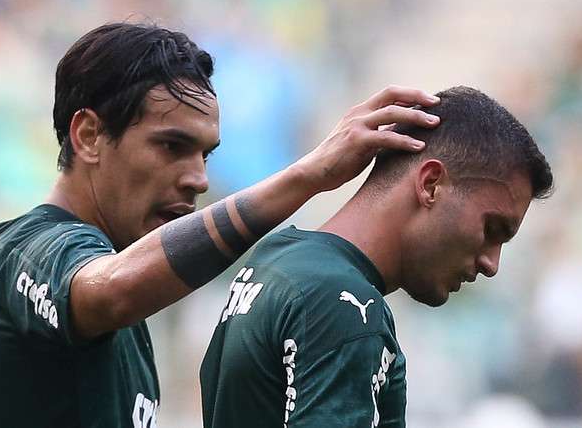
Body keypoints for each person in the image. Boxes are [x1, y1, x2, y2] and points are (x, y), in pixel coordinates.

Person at [0, 22, 442, 428]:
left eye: (205, 153)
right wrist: (307, 176)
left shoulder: (113, 303)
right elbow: (110, 289)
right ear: (90, 135)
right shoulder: (26, 251)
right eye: (172, 146)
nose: (198, 178)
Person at [199, 86, 554, 428]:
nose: (491, 264)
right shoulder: (344, 302)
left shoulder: (274, 260)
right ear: (430, 184)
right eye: (492, 229)